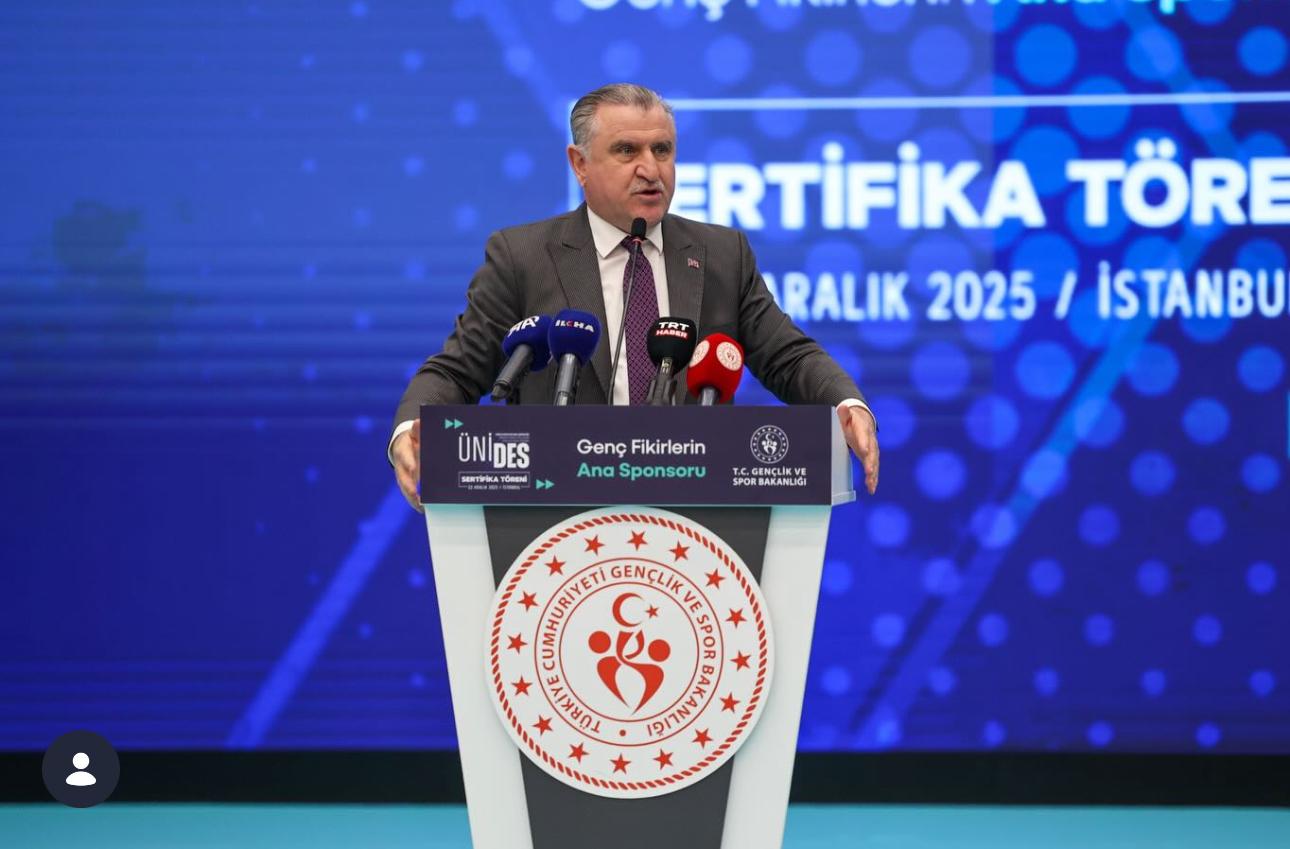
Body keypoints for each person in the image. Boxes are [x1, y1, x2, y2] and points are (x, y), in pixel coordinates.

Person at [390, 83, 879, 509]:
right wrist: (411, 429)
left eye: (662, 150)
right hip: (560, 517)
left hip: (699, 517)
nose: (651, 169)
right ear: (580, 164)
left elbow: (788, 356)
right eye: (627, 151)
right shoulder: (523, 257)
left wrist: (846, 404)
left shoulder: (721, 254)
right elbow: (458, 370)